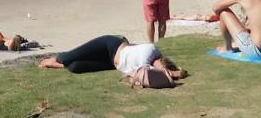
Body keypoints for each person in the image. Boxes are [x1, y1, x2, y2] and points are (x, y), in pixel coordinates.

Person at [39, 36, 184, 81]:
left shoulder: (148, 69)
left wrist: (175, 73)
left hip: (111, 63)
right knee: (66, 57)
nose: (158, 67)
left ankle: (60, 65)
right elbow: (163, 73)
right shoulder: (152, 51)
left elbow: (148, 75)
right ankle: (55, 59)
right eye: (161, 66)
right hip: (111, 45)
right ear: (162, 62)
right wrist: (177, 73)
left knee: (75, 67)